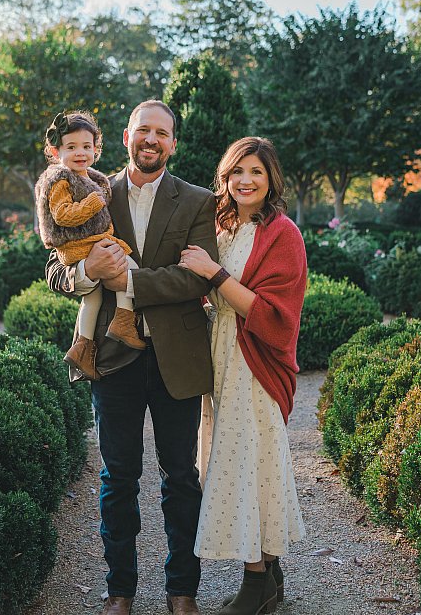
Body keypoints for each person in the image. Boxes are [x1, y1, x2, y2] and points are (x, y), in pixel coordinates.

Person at [45, 100, 218, 615]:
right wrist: (89, 271)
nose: (152, 140)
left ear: (173, 143)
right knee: (117, 478)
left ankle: (182, 590)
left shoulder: (198, 201)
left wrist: (130, 281)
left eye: (161, 133)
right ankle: (119, 591)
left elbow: (195, 278)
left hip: (177, 358)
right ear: (124, 137)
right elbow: (57, 269)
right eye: (143, 130)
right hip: (112, 358)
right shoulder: (89, 189)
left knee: (181, 477)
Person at [178, 137, 307, 615]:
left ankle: (255, 583)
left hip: (255, 364)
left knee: (251, 466)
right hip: (222, 357)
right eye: (236, 173)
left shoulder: (282, 234)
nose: (245, 181)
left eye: (255, 171)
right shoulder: (222, 226)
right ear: (225, 178)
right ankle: (270, 578)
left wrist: (213, 276)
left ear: (270, 177)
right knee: (237, 463)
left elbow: (274, 315)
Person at [36, 110, 145, 382]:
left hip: (89, 243)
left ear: (96, 148)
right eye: (71, 147)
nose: (80, 153)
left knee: (92, 297)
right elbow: (62, 215)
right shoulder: (60, 179)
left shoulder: (91, 178)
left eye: (87, 146)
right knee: (128, 265)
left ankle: (83, 346)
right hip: (81, 246)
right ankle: (123, 320)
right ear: (55, 150)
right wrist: (93, 203)